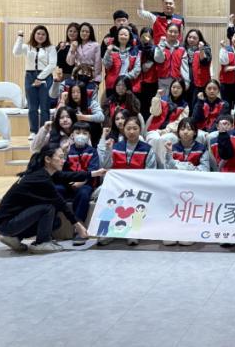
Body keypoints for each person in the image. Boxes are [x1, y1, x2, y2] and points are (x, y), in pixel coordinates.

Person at [0, 145, 105, 253]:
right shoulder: (40, 178)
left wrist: (94, 173)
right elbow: (60, 203)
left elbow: (68, 176)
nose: (63, 161)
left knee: (55, 223)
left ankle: (15, 238)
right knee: (48, 207)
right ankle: (42, 243)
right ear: (48, 159)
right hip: (6, 224)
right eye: (60, 157)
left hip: (10, 221)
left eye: (64, 157)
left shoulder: (44, 173)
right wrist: (77, 224)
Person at [97, 116, 156, 247]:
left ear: (140, 130)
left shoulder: (147, 149)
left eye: (135, 128)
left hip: (139, 185)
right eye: (128, 128)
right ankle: (107, 232)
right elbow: (105, 166)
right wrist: (108, 151)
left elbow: (151, 172)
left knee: (139, 201)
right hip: (118, 186)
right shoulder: (115, 147)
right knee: (109, 198)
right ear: (123, 130)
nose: (131, 131)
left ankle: (134, 232)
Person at [13, 25, 58, 140]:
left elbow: (52, 65)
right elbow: (16, 52)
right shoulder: (27, 47)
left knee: (44, 106)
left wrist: (40, 78)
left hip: (45, 77)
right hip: (30, 76)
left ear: (46, 36)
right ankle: (33, 131)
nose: (40, 36)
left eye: (43, 34)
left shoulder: (51, 48)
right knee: (32, 107)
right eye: (38, 33)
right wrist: (20, 37)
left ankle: (44, 131)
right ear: (34, 34)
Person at [59, 122, 99, 245]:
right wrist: (63, 154)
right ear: (72, 135)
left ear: (89, 136)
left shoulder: (92, 151)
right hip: (68, 184)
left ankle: (79, 228)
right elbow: (60, 171)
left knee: (84, 193)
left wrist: (80, 183)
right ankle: (50, 226)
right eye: (78, 133)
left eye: (84, 133)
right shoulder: (67, 151)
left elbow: (92, 171)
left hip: (85, 184)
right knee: (56, 189)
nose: (81, 135)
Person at [145, 79, 190, 167]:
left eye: (178, 88)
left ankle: (163, 167)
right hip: (155, 129)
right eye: (173, 87)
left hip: (172, 132)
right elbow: (155, 112)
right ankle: (151, 166)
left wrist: (166, 130)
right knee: (154, 139)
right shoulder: (163, 99)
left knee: (163, 139)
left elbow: (180, 122)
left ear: (183, 90)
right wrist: (157, 97)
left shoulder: (184, 105)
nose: (175, 90)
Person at [134, 27, 164, 120]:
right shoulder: (136, 49)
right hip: (137, 82)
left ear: (152, 38)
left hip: (151, 81)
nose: (146, 39)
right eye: (143, 36)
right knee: (139, 106)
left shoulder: (155, 49)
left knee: (150, 106)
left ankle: (149, 125)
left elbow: (160, 60)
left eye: (148, 37)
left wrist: (149, 63)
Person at [103, 26, 141, 91]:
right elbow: (107, 66)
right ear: (117, 36)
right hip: (113, 85)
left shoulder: (135, 51)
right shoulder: (111, 49)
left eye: (125, 35)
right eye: (121, 34)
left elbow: (137, 68)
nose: (123, 36)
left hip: (129, 84)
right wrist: (108, 52)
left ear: (129, 37)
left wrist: (125, 78)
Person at [155, 23, 188, 93]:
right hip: (162, 80)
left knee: (175, 99)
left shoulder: (182, 49)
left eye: (175, 32)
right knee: (163, 99)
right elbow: (158, 59)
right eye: (170, 31)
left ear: (179, 34)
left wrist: (186, 82)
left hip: (177, 82)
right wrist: (161, 45)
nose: (173, 34)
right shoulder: (160, 46)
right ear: (166, 31)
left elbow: (184, 67)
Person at [183, 29, 212, 110]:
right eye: (189, 37)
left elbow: (205, 61)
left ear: (199, 39)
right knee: (186, 106)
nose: (191, 40)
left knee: (197, 106)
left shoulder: (205, 48)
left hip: (199, 83)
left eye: (194, 38)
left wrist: (201, 49)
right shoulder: (183, 48)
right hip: (185, 81)